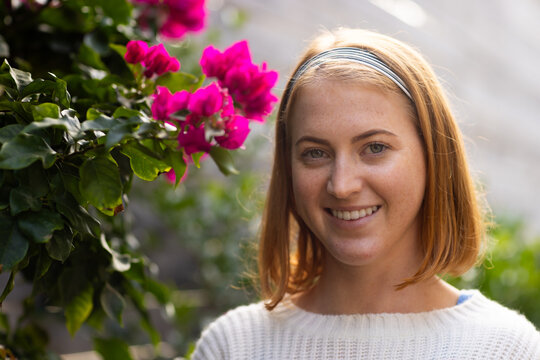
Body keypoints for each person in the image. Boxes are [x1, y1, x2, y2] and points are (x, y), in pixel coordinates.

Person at [191, 28, 540, 359]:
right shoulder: (232, 346)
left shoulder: (506, 349)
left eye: (374, 147)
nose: (342, 186)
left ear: (433, 156)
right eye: (315, 153)